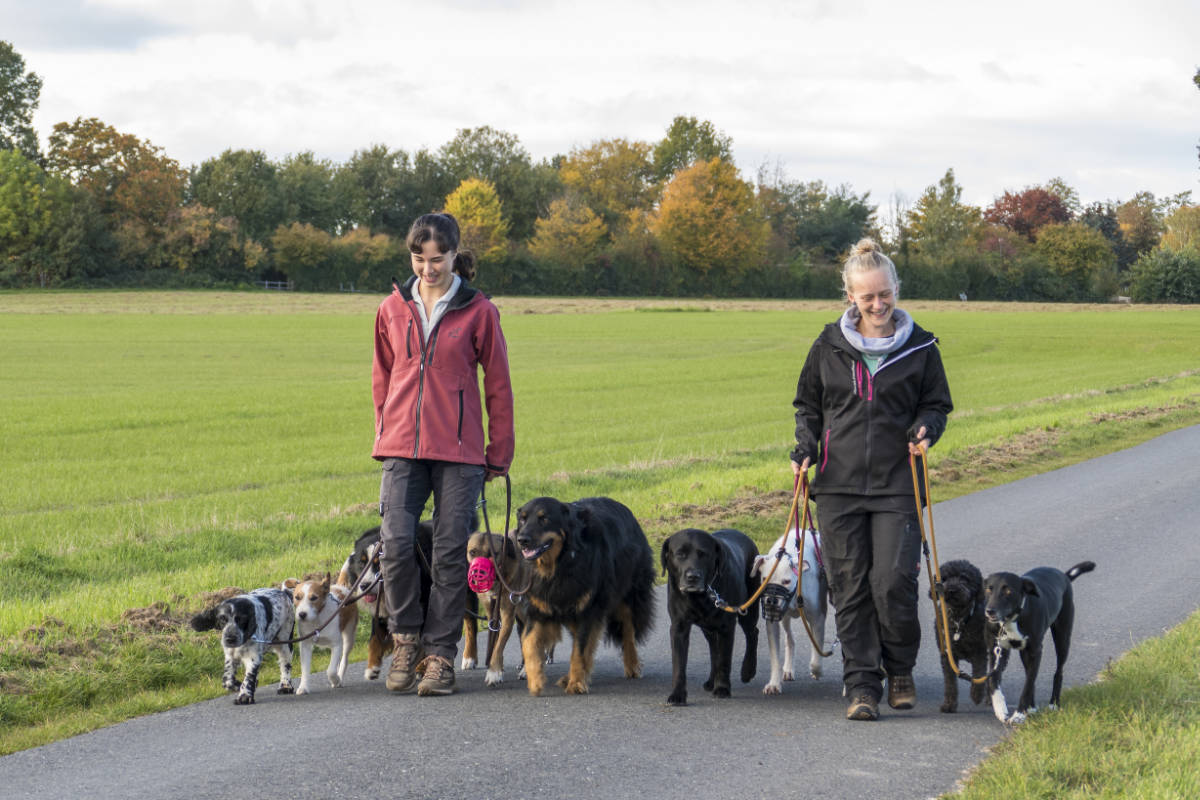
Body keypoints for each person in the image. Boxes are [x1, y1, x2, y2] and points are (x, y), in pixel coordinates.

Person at [790, 238, 952, 721]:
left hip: (897, 483)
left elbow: (936, 404)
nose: (878, 305)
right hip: (837, 485)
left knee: (894, 581)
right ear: (851, 298)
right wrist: (805, 448)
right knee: (850, 585)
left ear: (896, 290)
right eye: (868, 297)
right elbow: (809, 407)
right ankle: (863, 685)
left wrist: (927, 429)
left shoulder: (922, 346)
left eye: (885, 295)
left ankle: (899, 667)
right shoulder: (828, 346)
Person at [371, 212, 514, 696]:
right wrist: (383, 431)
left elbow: (498, 385)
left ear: (455, 255)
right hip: (401, 448)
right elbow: (382, 378)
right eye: (419, 259)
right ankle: (406, 640)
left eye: (437, 259)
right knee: (394, 544)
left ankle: (440, 657)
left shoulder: (479, 311)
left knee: (452, 552)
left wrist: (500, 451)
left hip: (460, 451)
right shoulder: (391, 308)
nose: (428, 269)